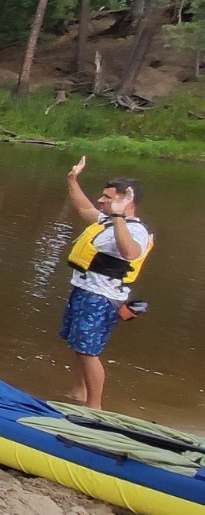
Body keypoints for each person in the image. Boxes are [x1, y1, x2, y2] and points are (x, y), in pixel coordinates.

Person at [58, 156, 153, 410]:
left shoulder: (136, 230)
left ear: (126, 201)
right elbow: (83, 209)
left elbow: (130, 252)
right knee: (79, 346)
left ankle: (94, 407)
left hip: (101, 298)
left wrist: (119, 216)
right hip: (85, 291)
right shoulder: (106, 220)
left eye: (108, 198)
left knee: (88, 352)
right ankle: (78, 393)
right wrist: (72, 179)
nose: (101, 201)